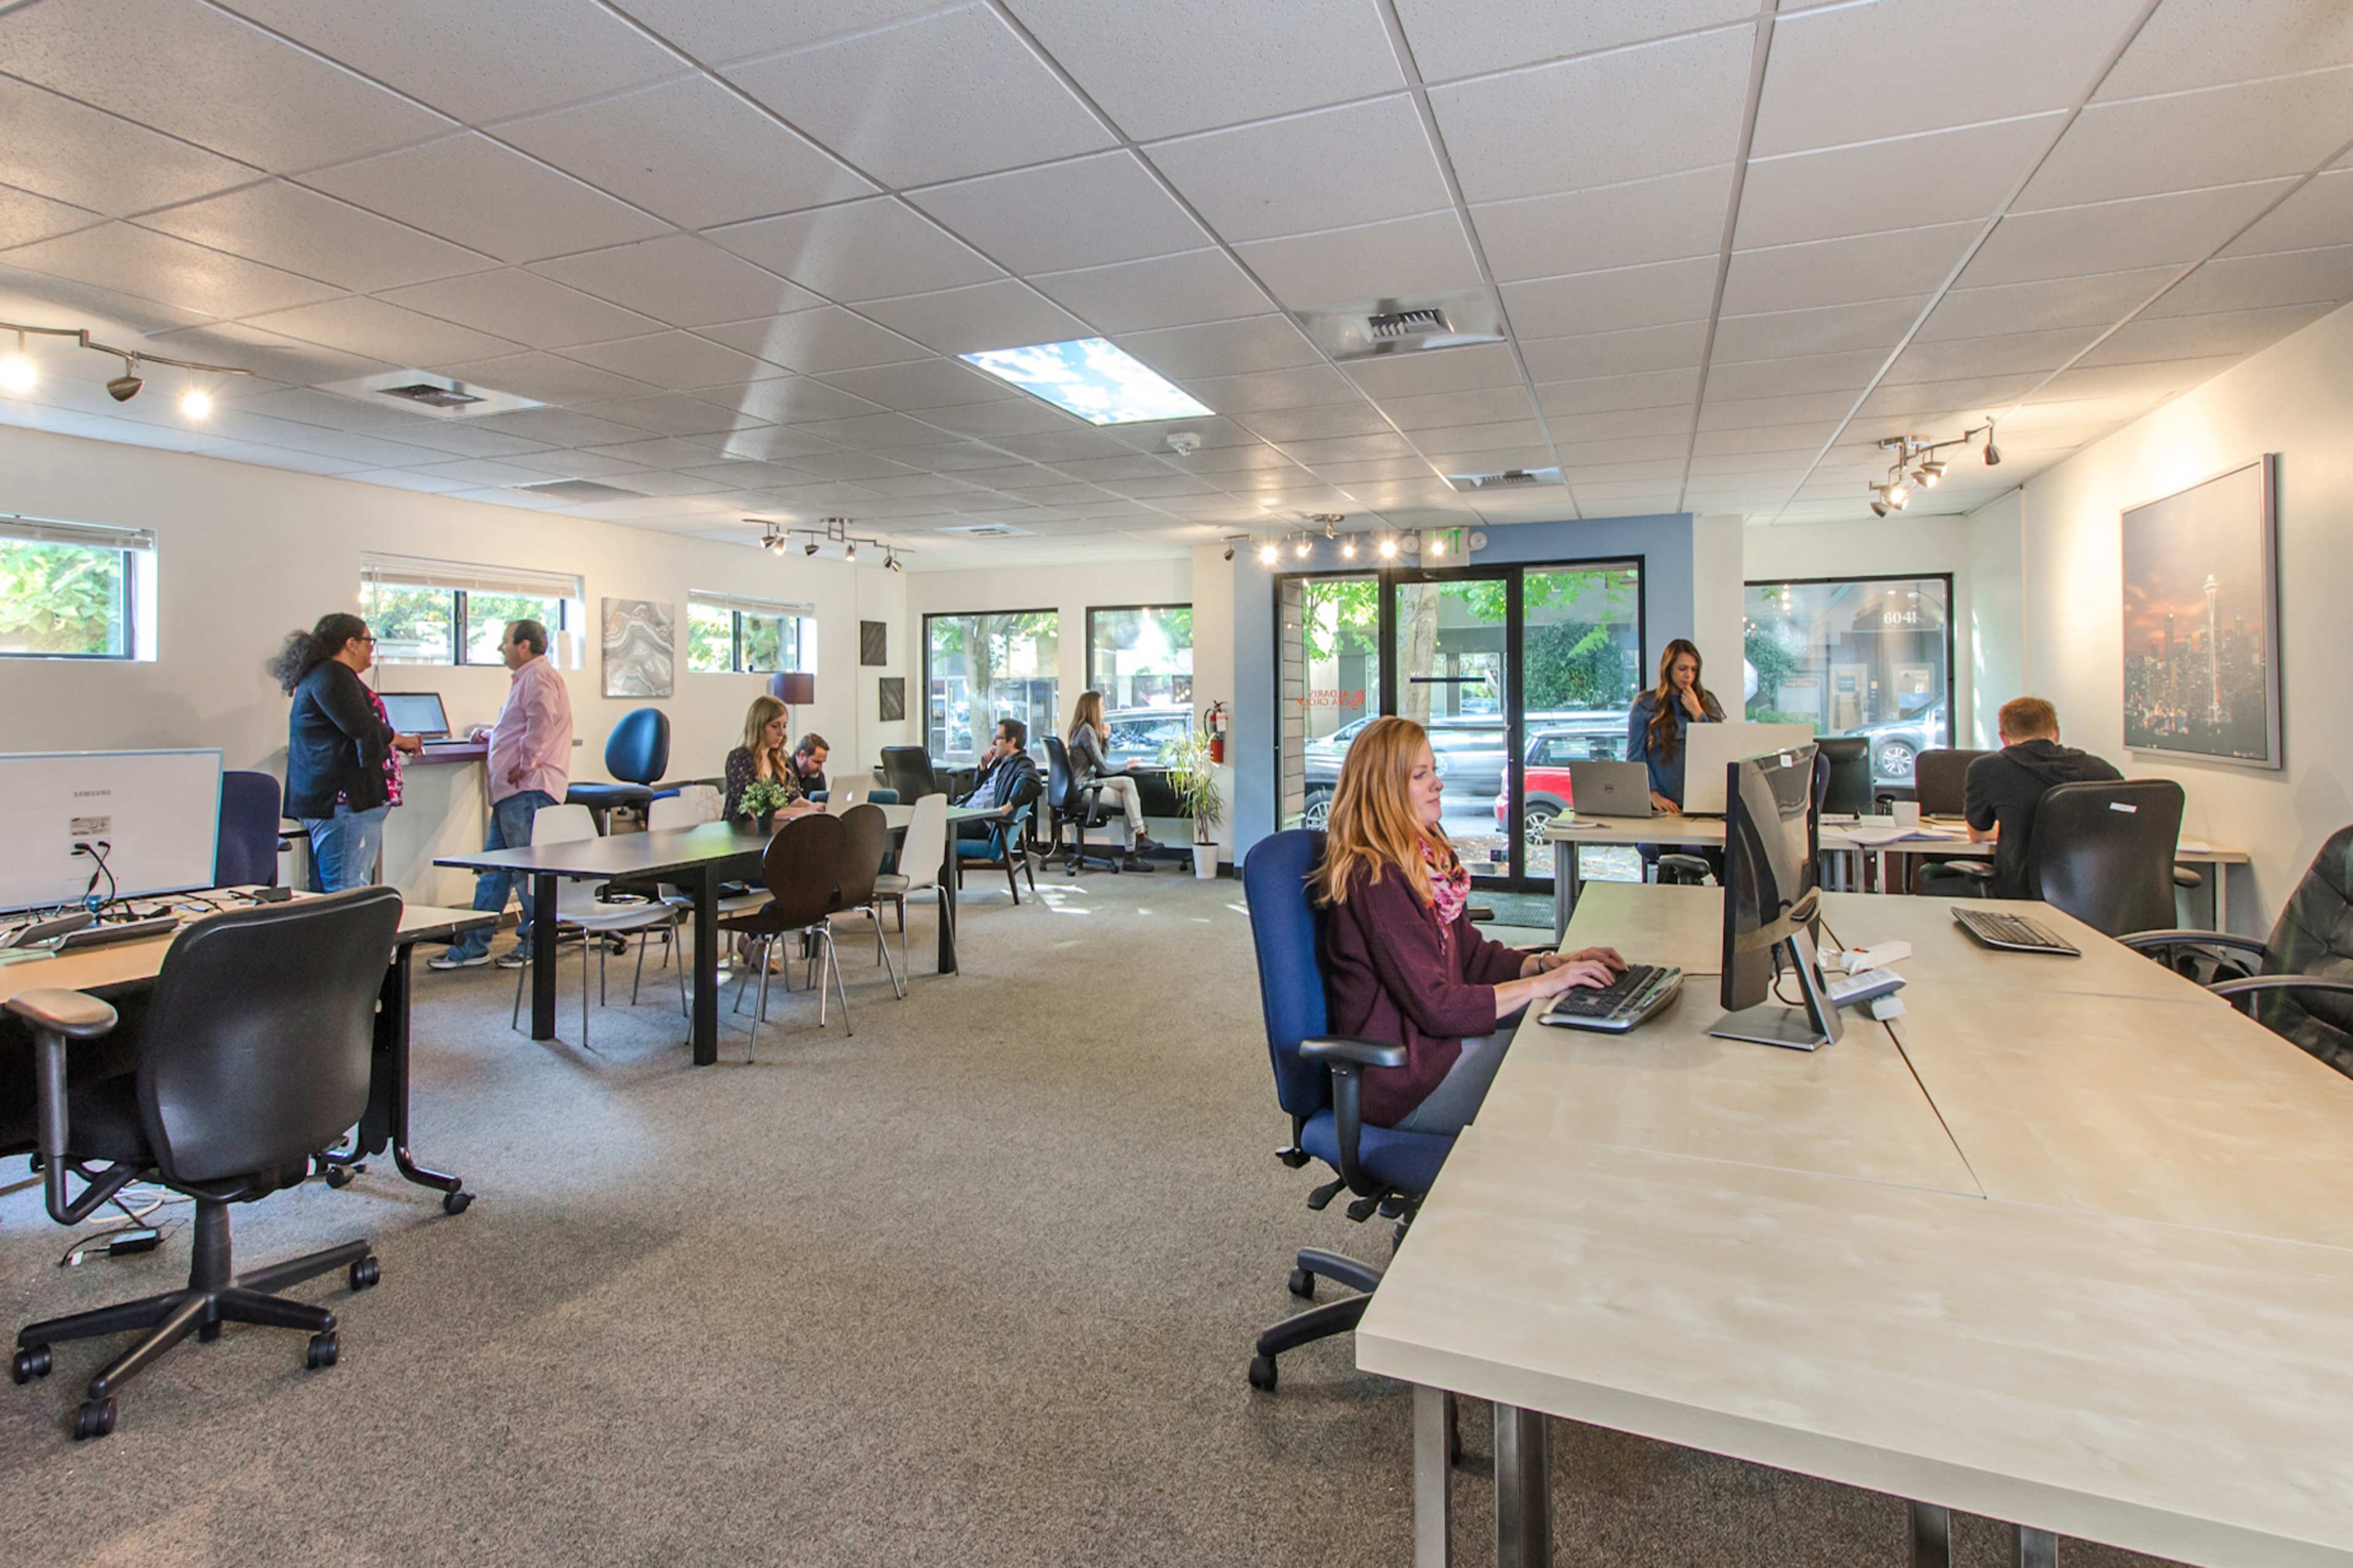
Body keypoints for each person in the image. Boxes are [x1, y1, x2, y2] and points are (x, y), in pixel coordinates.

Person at [1316, 716, 1625, 1135]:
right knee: (1561, 1060)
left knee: (1566, 1036)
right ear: (1384, 791)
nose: (1437, 783)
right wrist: (1542, 987)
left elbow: (1474, 956)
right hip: (1407, 1083)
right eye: (1420, 775)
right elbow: (1438, 1008)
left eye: (1434, 770)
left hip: (1438, 1053)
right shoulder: (1377, 878)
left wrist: (1551, 964)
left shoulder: (1421, 862)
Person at [430, 620, 574, 970]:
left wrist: (526, 762)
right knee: (492, 870)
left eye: (505, 642)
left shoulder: (538, 678)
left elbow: (541, 721)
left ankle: (535, 943)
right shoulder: (527, 679)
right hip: (513, 792)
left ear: (524, 645)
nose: (501, 649)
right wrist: (491, 734)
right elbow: (521, 723)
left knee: (528, 874)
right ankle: (474, 945)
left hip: (528, 790)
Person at [272, 613, 422, 893]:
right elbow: (360, 724)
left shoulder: (329, 675)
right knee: (348, 890)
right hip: (345, 803)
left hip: (343, 803)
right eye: (369, 642)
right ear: (351, 643)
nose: (371, 650)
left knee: (341, 889)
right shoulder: (332, 675)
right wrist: (401, 740)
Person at [1925, 696, 2123, 899]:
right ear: (2055, 733)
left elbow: (1977, 833)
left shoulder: (1988, 768)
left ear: (2004, 737)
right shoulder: (2100, 769)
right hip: (2092, 893)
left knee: (1930, 880)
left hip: (2020, 890)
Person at [1625, 638, 1724, 815]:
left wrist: (1698, 713)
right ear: (1668, 668)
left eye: (1694, 670)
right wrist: (1652, 795)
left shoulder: (1707, 701)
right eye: (1682, 669)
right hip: (1660, 801)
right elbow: (1635, 756)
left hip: (1702, 800)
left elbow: (1717, 750)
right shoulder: (1645, 703)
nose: (1689, 676)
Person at [1064, 690, 1156, 866]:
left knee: (1129, 784)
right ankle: (1133, 852)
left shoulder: (1081, 729)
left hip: (1089, 782)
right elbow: (1104, 768)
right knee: (1129, 799)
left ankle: (1140, 835)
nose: (1104, 709)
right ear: (1092, 708)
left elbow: (1100, 762)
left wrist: (1106, 740)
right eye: (1101, 706)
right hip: (1084, 789)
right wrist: (1127, 765)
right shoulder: (1086, 731)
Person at [723, 697, 824, 822]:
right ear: (759, 726)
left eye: (784, 726)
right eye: (775, 726)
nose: (782, 733)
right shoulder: (739, 759)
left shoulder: (781, 759)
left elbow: (795, 799)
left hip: (773, 831)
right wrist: (803, 812)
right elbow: (758, 812)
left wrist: (819, 809)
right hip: (742, 834)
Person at [955, 718, 1041, 846]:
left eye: (998, 738)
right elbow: (980, 790)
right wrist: (984, 767)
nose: (994, 742)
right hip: (969, 812)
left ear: (1012, 741)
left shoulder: (1022, 764)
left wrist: (1006, 808)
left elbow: (1035, 785)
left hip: (983, 822)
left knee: (933, 828)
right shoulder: (1000, 762)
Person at [789, 733, 830, 800]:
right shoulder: (784, 771)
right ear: (802, 755)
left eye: (822, 763)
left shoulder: (819, 776)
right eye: (817, 762)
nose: (820, 768)